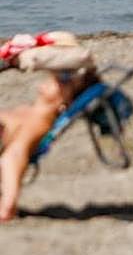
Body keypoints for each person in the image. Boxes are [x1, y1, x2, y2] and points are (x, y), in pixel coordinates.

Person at [1, 69, 97, 222]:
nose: (56, 78)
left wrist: (7, 203)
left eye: (64, 79)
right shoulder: (26, 111)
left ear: (66, 103)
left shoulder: (37, 123)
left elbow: (14, 156)